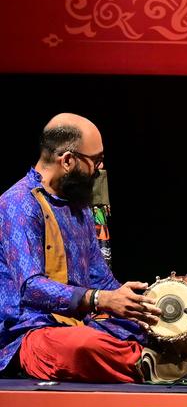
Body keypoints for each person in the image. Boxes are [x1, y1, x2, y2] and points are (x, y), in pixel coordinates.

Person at [0, 114, 159, 382]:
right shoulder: (18, 204)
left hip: (79, 323)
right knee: (83, 347)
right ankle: (151, 362)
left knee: (150, 326)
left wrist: (136, 304)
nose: (100, 167)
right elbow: (30, 288)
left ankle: (145, 354)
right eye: (95, 160)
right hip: (31, 333)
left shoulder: (79, 207)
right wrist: (98, 299)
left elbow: (99, 277)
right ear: (68, 160)